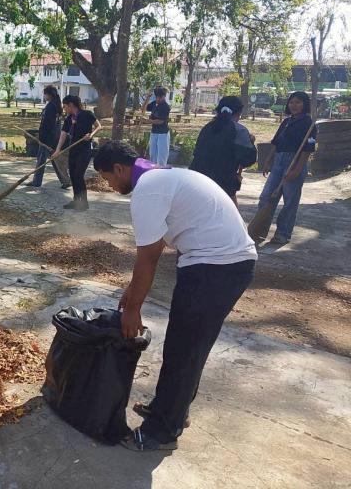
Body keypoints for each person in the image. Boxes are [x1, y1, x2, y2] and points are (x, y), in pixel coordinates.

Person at [93, 141, 257, 451]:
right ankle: (171, 411)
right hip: (223, 263)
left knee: (185, 351)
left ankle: (161, 432)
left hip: (217, 267)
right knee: (187, 347)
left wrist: (133, 310)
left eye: (107, 178)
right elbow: (154, 249)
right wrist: (131, 292)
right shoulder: (162, 176)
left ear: (119, 168)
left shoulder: (147, 190)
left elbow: (149, 257)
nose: (109, 186)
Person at [254, 91, 317, 245]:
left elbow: (307, 149)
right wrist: (268, 161)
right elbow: (276, 143)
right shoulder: (286, 121)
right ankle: (259, 231)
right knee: (266, 197)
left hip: (295, 161)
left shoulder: (308, 124)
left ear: (304, 104)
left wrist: (296, 170)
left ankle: (283, 234)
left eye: (298, 102)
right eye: (291, 102)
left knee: (290, 201)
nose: (294, 105)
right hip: (279, 161)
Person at [189, 96, 257, 203]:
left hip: (197, 178)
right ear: (239, 113)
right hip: (224, 182)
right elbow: (248, 159)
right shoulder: (239, 130)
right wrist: (251, 142)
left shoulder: (207, 127)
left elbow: (197, 152)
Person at [52, 95, 101, 210]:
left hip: (84, 149)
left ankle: (84, 203)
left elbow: (98, 126)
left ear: (71, 105)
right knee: (73, 176)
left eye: (65, 107)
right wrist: (58, 150)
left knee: (79, 175)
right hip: (73, 149)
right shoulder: (69, 119)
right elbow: (63, 134)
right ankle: (76, 200)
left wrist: (90, 135)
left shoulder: (87, 114)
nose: (64, 109)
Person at [28, 85, 71, 189]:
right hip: (54, 137)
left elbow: (47, 124)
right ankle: (65, 180)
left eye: (45, 94)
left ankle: (37, 182)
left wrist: (41, 137)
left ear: (50, 95)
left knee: (41, 160)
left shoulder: (51, 107)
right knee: (55, 160)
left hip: (47, 138)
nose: (44, 96)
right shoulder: (56, 105)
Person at [144, 86, 171, 165]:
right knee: (152, 155)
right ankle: (152, 172)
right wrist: (147, 98)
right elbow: (143, 109)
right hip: (154, 132)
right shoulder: (154, 104)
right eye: (156, 97)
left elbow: (160, 121)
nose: (158, 99)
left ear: (163, 96)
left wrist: (147, 121)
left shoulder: (166, 107)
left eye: (160, 97)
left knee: (162, 157)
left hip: (163, 134)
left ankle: (161, 172)